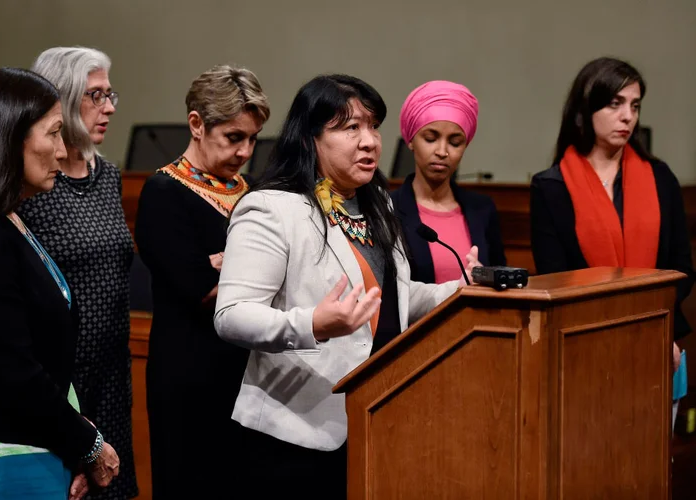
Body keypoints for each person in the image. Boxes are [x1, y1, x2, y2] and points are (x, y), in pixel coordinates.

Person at [214, 74, 477, 499]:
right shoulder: (271, 209)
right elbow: (232, 316)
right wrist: (312, 324)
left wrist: (466, 292)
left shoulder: (379, 205)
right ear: (310, 138)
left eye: (372, 126)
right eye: (350, 127)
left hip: (379, 416)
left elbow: (394, 302)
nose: (370, 141)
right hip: (297, 432)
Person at [0, 67, 119, 500]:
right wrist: (89, 445)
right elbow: (14, 372)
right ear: (8, 140)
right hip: (3, 457)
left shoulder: (11, 220)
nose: (63, 151)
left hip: (34, 445)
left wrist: (75, 438)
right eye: (54, 133)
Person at [134, 64, 270, 499]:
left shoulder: (251, 191)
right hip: (190, 376)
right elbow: (200, 289)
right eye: (234, 137)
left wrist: (228, 265)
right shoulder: (163, 193)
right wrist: (248, 270)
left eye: (253, 139)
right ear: (197, 124)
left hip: (246, 372)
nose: (246, 151)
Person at [530, 56, 693, 417]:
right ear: (585, 108)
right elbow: (557, 280)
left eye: (635, 106)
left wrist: (658, 328)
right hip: (583, 353)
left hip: (660, 347)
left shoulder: (661, 178)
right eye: (615, 103)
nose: (628, 116)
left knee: (654, 472)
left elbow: (682, 269)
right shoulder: (550, 187)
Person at [16, 47, 137, 500]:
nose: (108, 107)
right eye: (95, 95)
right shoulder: (31, 184)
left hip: (111, 374)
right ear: (62, 100)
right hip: (60, 381)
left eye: (111, 95)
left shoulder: (107, 175)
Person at [391, 80, 506, 285]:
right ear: (410, 140)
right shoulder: (388, 209)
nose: (442, 152)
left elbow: (501, 278)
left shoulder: (482, 209)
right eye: (430, 138)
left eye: (455, 142)